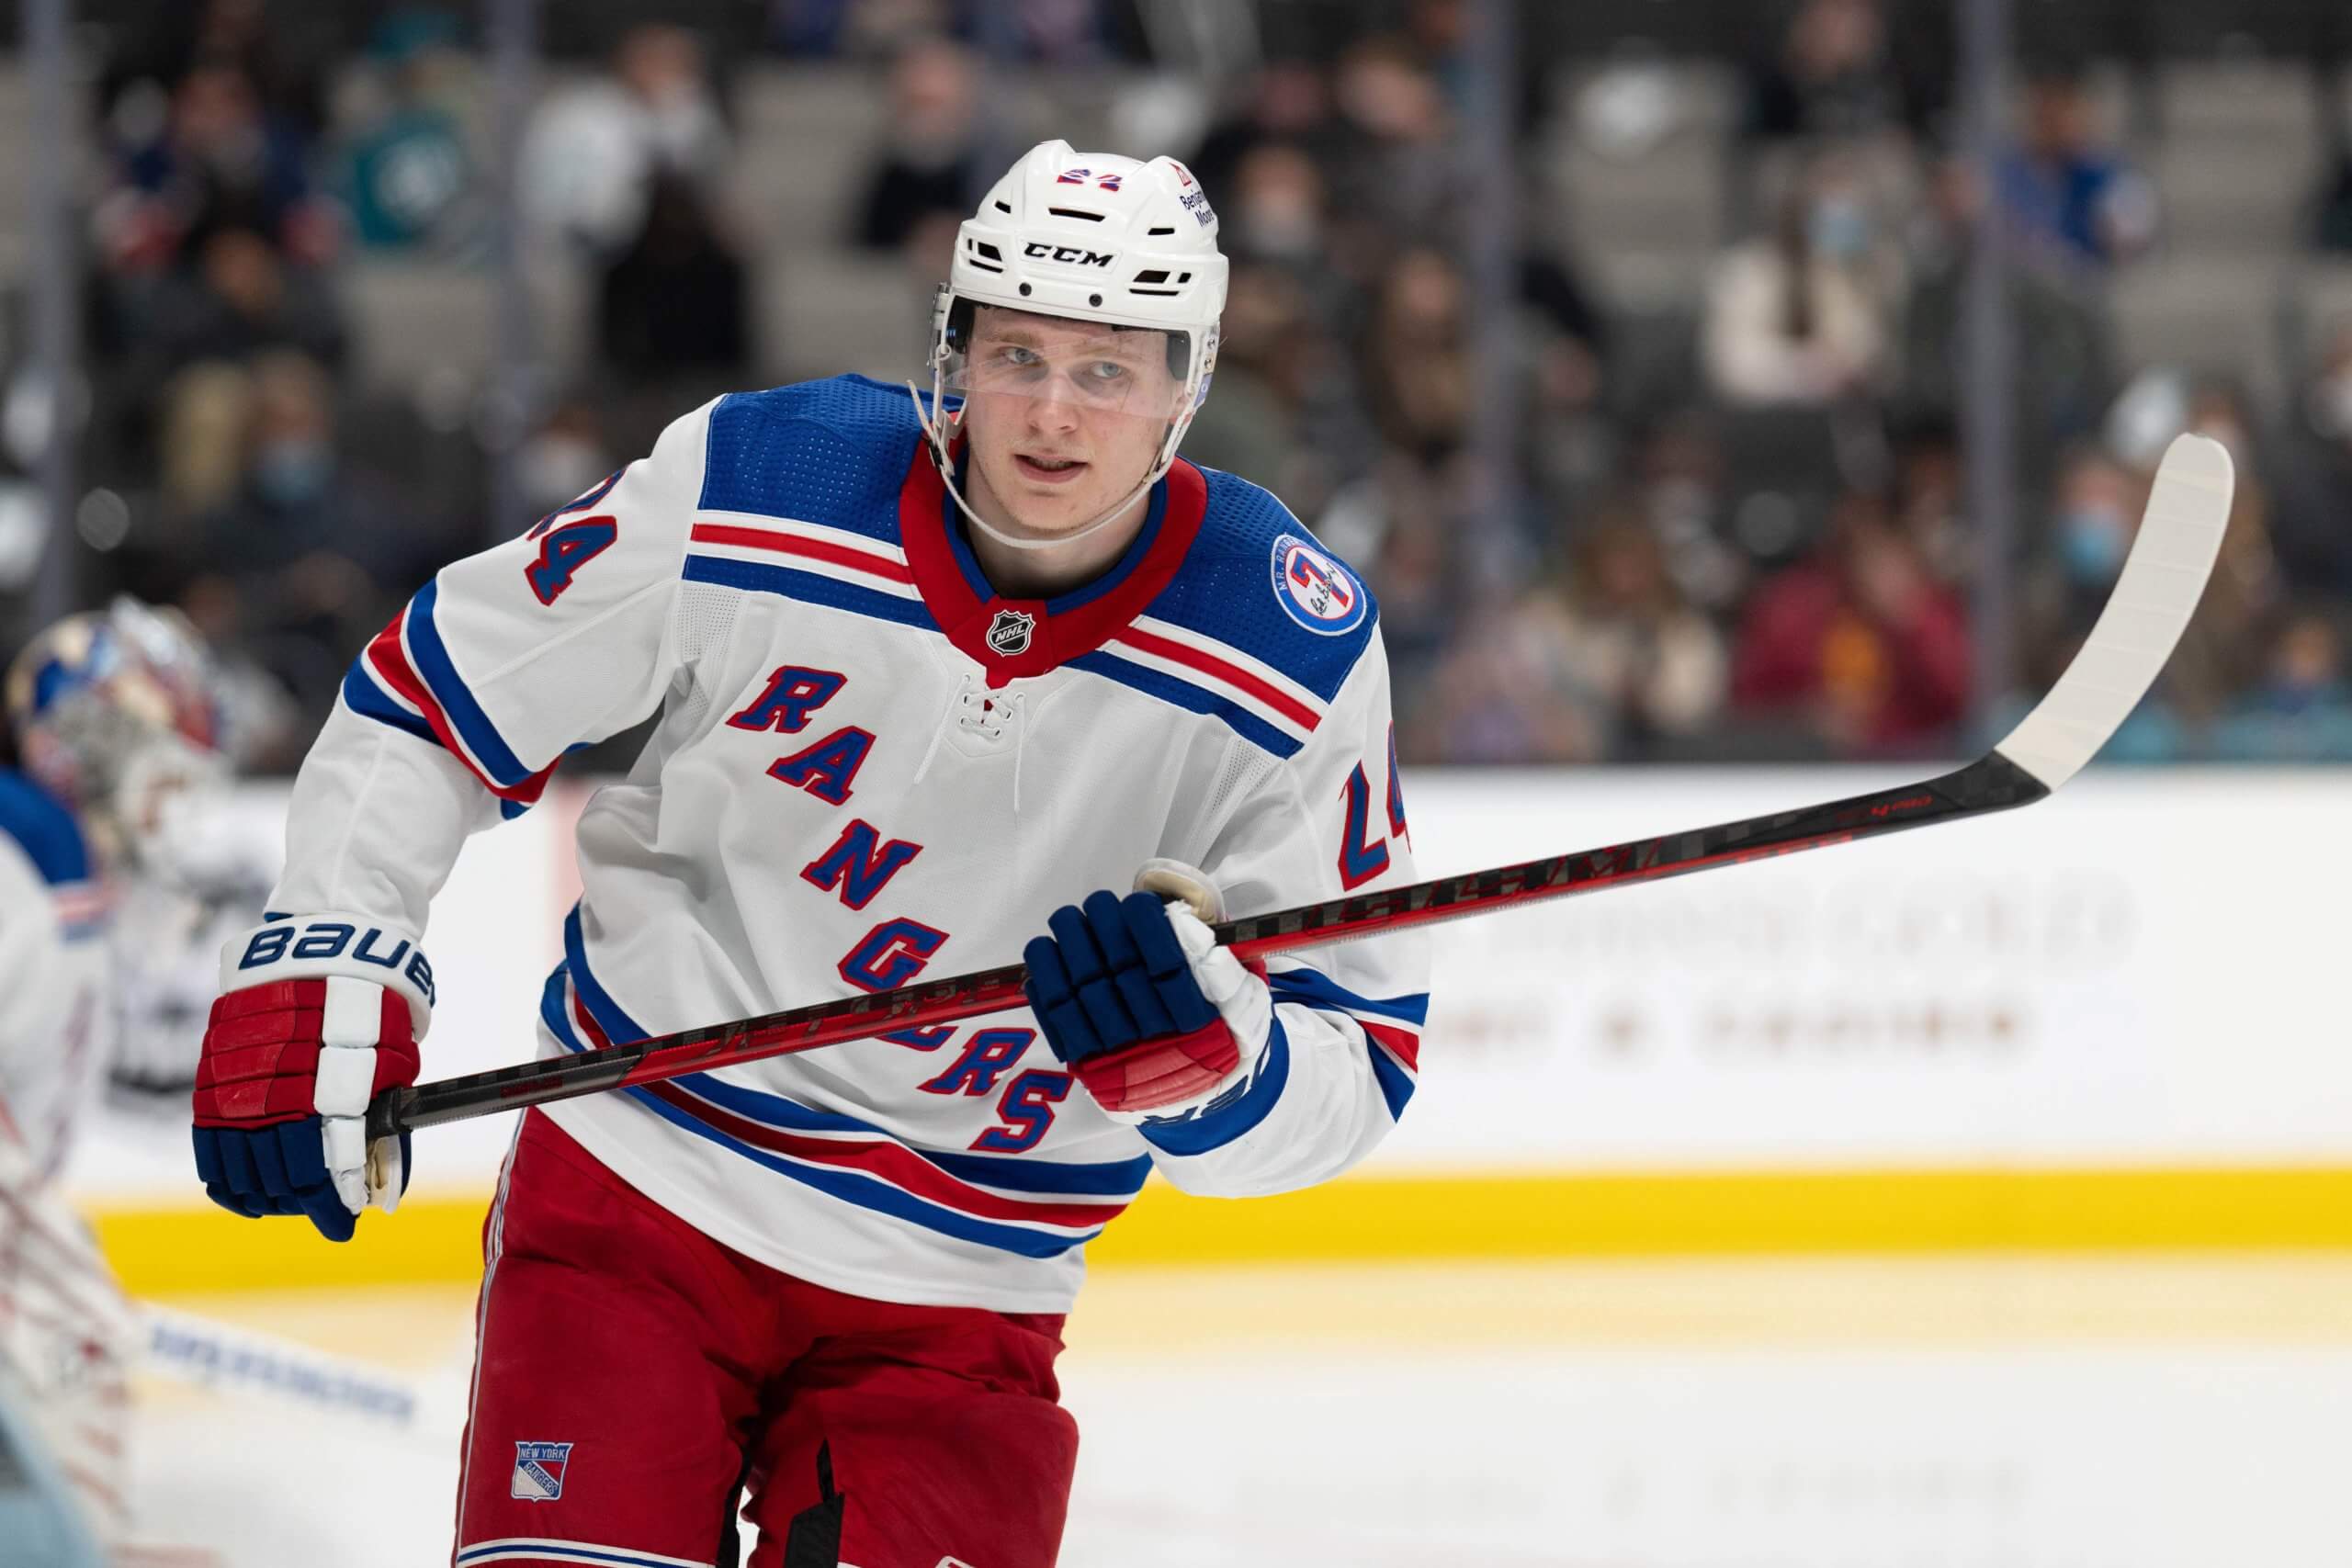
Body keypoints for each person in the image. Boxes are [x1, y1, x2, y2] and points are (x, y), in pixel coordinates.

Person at [189, 141, 1430, 1568]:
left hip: (964, 1291)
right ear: (953, 348)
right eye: (1016, 354)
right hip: (639, 1194)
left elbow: (1362, 1057)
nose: (1050, 411)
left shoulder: (1288, 643)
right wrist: (332, 942)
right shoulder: (762, 478)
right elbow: (437, 692)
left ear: (1186, 386)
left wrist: (1220, 1072)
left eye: (1107, 370)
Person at [1, 597, 232, 1564]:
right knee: (73, 1326)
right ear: (87, 751)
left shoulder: (54, 858)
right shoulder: (17, 857)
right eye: (165, 774)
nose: (176, 807)